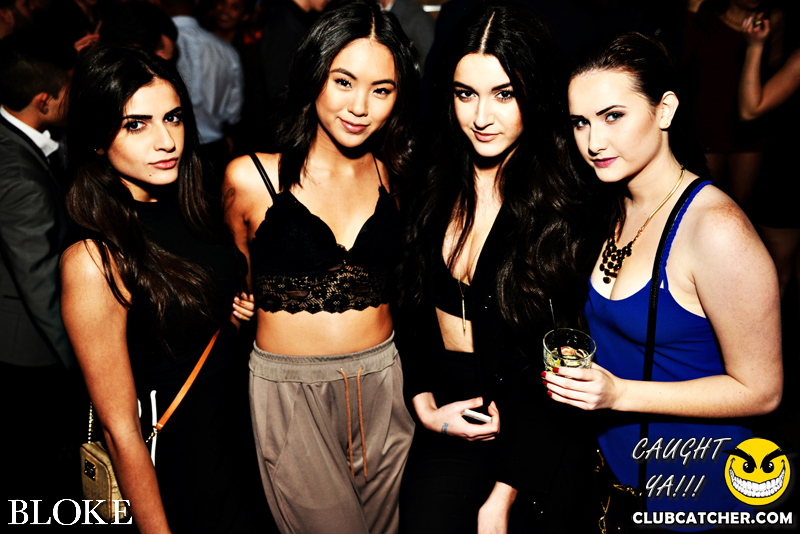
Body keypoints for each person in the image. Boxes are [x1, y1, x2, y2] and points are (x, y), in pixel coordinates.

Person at [550, 31, 782, 529]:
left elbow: (763, 391)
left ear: (665, 110)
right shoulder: (612, 202)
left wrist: (619, 395)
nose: (593, 142)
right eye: (580, 122)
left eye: (613, 116)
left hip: (699, 493)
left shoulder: (716, 229)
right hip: (618, 482)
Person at [399, 3, 598, 533]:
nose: (481, 117)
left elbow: (565, 356)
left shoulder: (565, 201)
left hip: (535, 419)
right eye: (466, 94)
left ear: (536, 92)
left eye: (504, 94)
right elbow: (411, 309)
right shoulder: (432, 182)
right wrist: (424, 405)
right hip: (451, 411)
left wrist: (503, 495)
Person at [60, 45, 273, 533]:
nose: (165, 141)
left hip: (245, 440)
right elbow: (119, 430)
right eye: (136, 125)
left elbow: (189, 315)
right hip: (183, 463)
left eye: (173, 118)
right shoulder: (93, 258)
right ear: (96, 139)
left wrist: (232, 313)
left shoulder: (195, 208)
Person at [222, 1, 418, 532]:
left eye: (382, 90)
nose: (360, 107)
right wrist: (236, 307)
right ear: (315, 76)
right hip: (292, 392)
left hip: (384, 381)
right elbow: (234, 280)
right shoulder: (250, 179)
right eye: (343, 81)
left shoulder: (395, 176)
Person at [0, 30, 81, 504]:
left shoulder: (14, 137)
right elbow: (40, 285)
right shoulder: (21, 181)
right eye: (69, 90)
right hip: (28, 351)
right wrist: (81, 360)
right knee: (35, 467)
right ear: (43, 101)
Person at [739, 13, 800, 307]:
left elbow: (751, 108)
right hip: (786, 171)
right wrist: (757, 46)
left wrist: (755, 46)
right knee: (777, 273)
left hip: (787, 171)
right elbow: (751, 110)